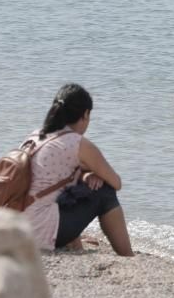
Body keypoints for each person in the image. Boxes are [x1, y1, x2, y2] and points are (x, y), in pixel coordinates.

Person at [21, 84, 134, 255]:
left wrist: (86, 175)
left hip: (16, 225)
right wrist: (95, 175)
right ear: (85, 114)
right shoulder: (77, 143)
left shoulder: (36, 135)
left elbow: (51, 176)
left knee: (72, 190)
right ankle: (127, 254)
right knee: (105, 191)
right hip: (38, 232)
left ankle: (75, 244)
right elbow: (116, 182)